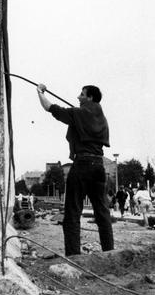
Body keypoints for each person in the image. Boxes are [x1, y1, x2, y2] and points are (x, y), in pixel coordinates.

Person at [37, 83, 114, 256]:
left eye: (81, 94)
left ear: (90, 98)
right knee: (102, 212)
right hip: (98, 166)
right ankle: (109, 252)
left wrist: (40, 92)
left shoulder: (79, 114)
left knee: (72, 213)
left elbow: (50, 108)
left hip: (82, 166)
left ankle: (74, 256)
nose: (78, 97)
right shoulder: (102, 118)